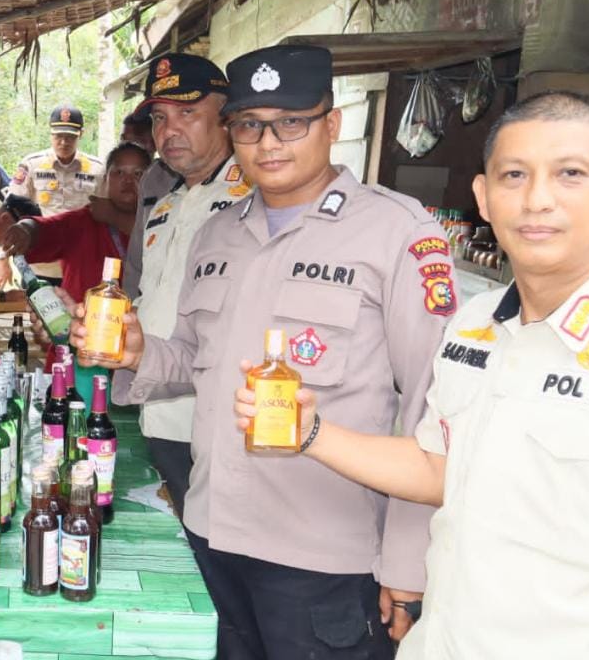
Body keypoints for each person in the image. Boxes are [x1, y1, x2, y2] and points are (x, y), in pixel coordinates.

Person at [233, 91, 589, 660]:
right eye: (514, 175)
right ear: (483, 197)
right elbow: (438, 468)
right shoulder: (475, 324)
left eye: (570, 174)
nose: (537, 200)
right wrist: (310, 431)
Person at [72, 45, 449, 660]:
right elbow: (193, 361)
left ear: (332, 124)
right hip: (212, 531)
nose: (268, 142)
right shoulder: (218, 233)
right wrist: (139, 354)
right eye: (249, 125)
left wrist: (409, 562)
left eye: (291, 122)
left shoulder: (397, 234)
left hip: (323, 556)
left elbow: (432, 412)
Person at [110, 53, 239, 522]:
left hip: (219, 419)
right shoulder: (165, 205)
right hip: (161, 409)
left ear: (226, 118)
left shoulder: (253, 198)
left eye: (188, 112)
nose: (170, 131)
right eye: (161, 118)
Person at [4, 141, 149, 305]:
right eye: (119, 172)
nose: (128, 181)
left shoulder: (163, 221)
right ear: (105, 179)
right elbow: (48, 228)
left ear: (151, 181)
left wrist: (115, 217)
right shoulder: (85, 221)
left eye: (138, 173)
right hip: (81, 319)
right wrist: (26, 229)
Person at [10, 104, 104, 283]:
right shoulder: (32, 164)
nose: (63, 142)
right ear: (50, 133)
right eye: (58, 136)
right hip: (40, 262)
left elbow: (106, 215)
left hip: (80, 263)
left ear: (81, 134)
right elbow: (13, 209)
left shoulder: (97, 169)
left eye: (70, 137)